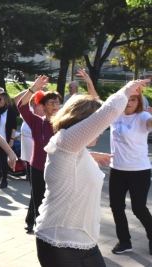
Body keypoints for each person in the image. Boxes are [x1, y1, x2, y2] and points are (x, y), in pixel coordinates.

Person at [34, 79, 149, 267]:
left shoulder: (74, 149)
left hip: (87, 243)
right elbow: (108, 112)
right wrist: (128, 89)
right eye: (97, 126)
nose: (101, 131)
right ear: (82, 123)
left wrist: (92, 156)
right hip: (59, 241)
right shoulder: (64, 142)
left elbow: (71, 163)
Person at [109, 91, 152, 255]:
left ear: (139, 103)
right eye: (127, 99)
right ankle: (124, 242)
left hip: (139, 170)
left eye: (134, 100)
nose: (130, 102)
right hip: (117, 169)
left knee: (139, 208)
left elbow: (150, 122)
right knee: (116, 207)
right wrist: (90, 83)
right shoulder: (115, 114)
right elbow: (97, 102)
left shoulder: (142, 116)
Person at [15, 76, 61, 223]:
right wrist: (33, 88)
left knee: (56, 205)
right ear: (43, 106)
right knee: (39, 204)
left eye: (57, 102)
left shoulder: (65, 124)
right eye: (51, 102)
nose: (55, 105)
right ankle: (39, 231)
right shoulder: (37, 122)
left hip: (58, 169)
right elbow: (21, 106)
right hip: (37, 168)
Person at [21, 93, 45, 233]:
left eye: (43, 105)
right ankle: (31, 220)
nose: (41, 107)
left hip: (40, 162)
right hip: (30, 160)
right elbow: (19, 102)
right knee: (35, 192)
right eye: (38, 104)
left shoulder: (46, 121)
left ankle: (32, 221)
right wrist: (33, 88)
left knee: (36, 192)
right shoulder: (29, 118)